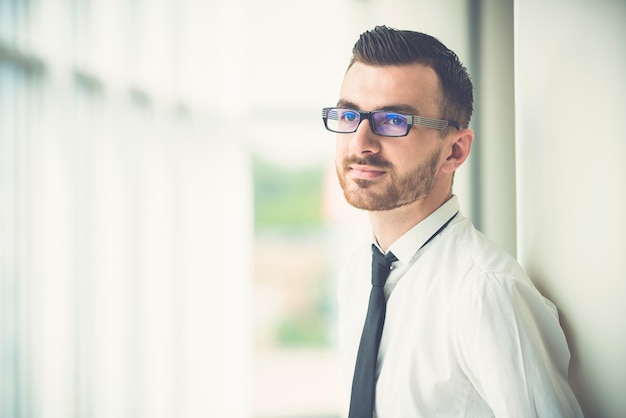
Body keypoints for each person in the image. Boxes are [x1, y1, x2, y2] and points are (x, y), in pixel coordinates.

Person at [322, 26, 582, 417]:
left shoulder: (485, 292)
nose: (360, 143)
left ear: (455, 151)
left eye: (393, 121)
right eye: (348, 115)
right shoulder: (358, 273)